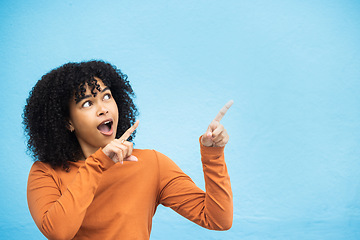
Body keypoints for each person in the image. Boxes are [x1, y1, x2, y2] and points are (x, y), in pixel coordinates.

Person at [23, 60, 233, 240]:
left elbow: (218, 219)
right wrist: (98, 164)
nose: (103, 108)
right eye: (87, 103)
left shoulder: (151, 164)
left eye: (106, 96)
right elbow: (59, 232)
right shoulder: (45, 173)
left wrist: (213, 155)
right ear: (68, 122)